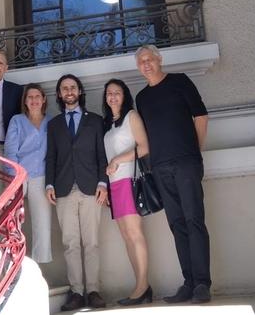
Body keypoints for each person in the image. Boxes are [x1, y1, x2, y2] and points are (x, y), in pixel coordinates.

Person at [134, 44, 211, 304]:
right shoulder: (142, 98)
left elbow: (201, 117)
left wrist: (195, 153)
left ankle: (202, 283)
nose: (146, 64)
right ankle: (188, 283)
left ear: (159, 60)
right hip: (160, 169)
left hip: (186, 163)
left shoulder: (180, 82)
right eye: (141, 61)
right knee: (177, 225)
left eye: (150, 59)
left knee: (194, 221)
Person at [45, 74, 109, 311]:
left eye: (73, 87)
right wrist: (49, 184)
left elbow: (102, 154)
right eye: (64, 89)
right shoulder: (53, 124)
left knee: (91, 243)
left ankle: (92, 291)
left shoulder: (95, 121)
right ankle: (76, 292)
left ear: (79, 91)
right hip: (62, 190)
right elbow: (50, 156)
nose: (69, 91)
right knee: (70, 243)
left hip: (91, 188)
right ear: (60, 95)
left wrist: (103, 183)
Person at [102, 78, 153, 306]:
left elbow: (144, 147)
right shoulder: (109, 124)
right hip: (114, 185)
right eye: (109, 93)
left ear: (124, 96)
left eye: (117, 93)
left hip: (129, 181)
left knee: (134, 233)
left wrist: (117, 159)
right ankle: (140, 285)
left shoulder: (131, 116)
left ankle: (143, 285)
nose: (113, 96)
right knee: (126, 237)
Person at [4, 83, 52, 263]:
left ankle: (40, 268)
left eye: (37, 96)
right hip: (19, 177)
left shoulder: (51, 122)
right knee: (15, 222)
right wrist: (13, 180)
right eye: (30, 97)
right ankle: (13, 263)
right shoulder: (17, 121)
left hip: (41, 177)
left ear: (44, 99)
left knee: (42, 224)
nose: (34, 100)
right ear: (25, 101)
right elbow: (10, 151)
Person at [0, 50, 23, 207]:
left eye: (1, 63)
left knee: (14, 192)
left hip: (12, 148)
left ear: (6, 68)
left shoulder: (17, 90)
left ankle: (13, 229)